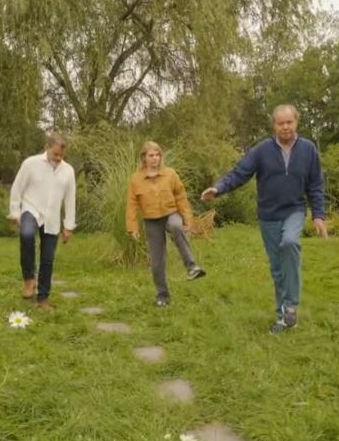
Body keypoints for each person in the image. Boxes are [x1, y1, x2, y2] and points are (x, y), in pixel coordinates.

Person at [201, 104, 328, 334]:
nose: (286, 127)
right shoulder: (262, 150)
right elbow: (240, 173)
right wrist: (218, 189)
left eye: (289, 122)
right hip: (268, 215)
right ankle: (282, 317)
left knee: (290, 243)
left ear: (296, 122)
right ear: (274, 125)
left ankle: (291, 305)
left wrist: (318, 215)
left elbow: (316, 185)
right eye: (281, 123)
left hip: (294, 210)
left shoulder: (308, 150)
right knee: (277, 268)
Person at [126, 141, 207, 307]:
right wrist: (132, 227)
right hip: (151, 221)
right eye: (151, 155)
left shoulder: (170, 174)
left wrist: (187, 219)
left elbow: (181, 197)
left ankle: (191, 267)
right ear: (144, 158)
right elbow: (131, 205)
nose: (155, 158)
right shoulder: (136, 179)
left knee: (176, 226)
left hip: (171, 214)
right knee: (157, 261)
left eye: (157, 155)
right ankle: (162, 295)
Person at [8, 131, 77, 312]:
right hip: (31, 209)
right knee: (27, 234)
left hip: (52, 218)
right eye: (55, 154)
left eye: (62, 155)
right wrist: (15, 212)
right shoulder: (30, 164)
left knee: (48, 259)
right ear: (47, 147)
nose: (58, 157)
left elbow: (70, 199)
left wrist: (68, 226)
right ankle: (29, 278)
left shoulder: (68, 171)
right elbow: (17, 188)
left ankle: (43, 298)